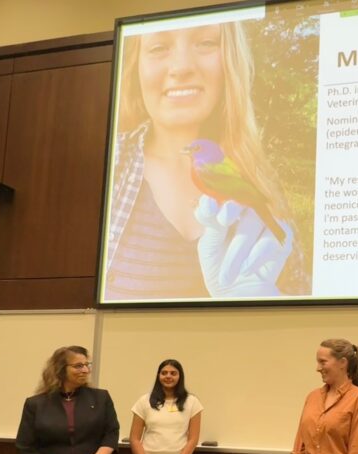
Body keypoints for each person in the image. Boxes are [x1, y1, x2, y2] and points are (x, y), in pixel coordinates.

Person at [103, 21, 306, 301]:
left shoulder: (260, 177)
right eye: (159, 47)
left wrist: (271, 299)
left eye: (206, 43)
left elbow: (301, 289)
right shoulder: (107, 167)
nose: (182, 67)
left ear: (230, 63)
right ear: (135, 67)